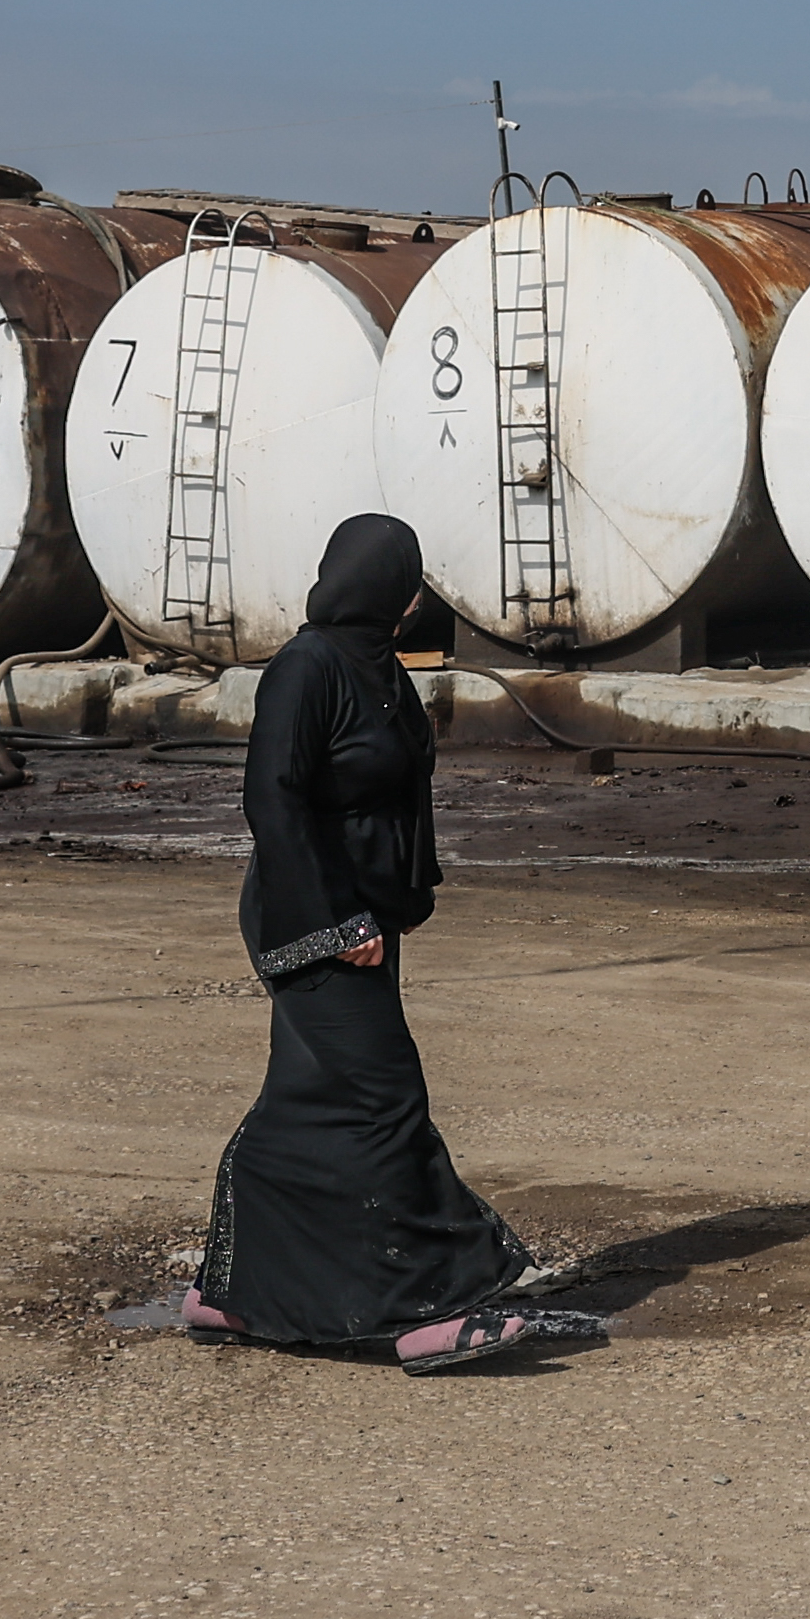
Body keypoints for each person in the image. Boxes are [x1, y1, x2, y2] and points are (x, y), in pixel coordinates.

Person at [178, 515, 598, 1373]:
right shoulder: (306, 669)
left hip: (364, 919)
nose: (412, 602)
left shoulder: (376, 669)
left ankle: (230, 1289)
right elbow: (275, 805)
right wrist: (336, 921)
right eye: (406, 585)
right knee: (384, 1099)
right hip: (314, 920)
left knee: (306, 1100)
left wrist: (393, 901)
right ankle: (422, 1308)